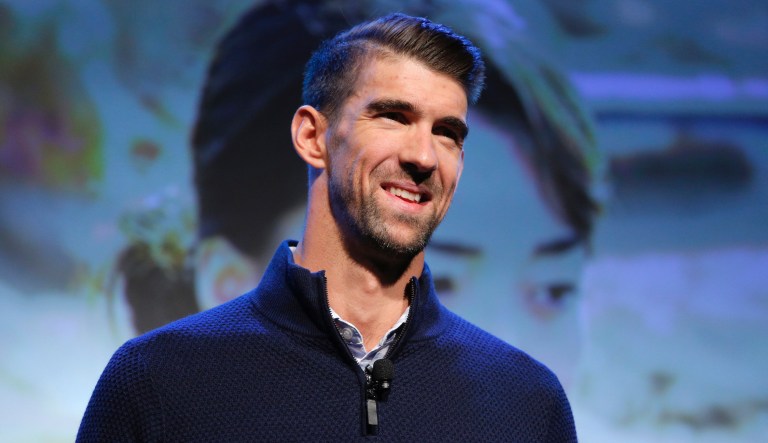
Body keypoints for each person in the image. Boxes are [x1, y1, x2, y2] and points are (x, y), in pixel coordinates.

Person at [78, 12, 578, 441]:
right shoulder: (158, 382)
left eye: (446, 133)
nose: (424, 156)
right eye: (393, 117)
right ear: (312, 136)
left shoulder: (526, 404)